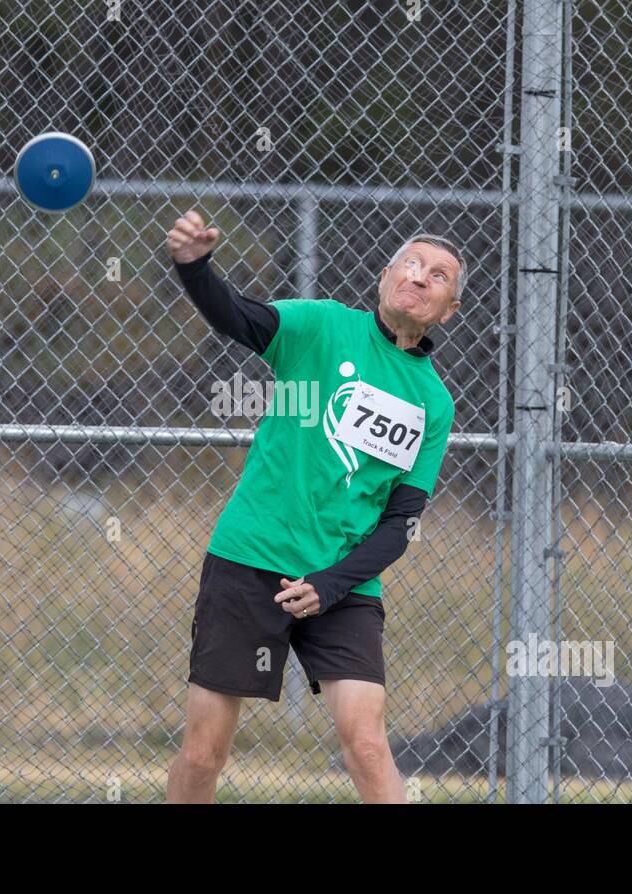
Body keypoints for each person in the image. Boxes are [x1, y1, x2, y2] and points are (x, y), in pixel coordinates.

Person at [164, 209, 462, 803]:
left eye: (440, 275)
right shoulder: (322, 328)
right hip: (252, 556)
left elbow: (400, 524)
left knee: (369, 746)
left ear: (448, 309)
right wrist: (195, 268)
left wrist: (328, 585)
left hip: (343, 583)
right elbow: (237, 316)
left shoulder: (433, 402)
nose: (421, 276)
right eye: (411, 263)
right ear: (383, 278)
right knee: (204, 753)